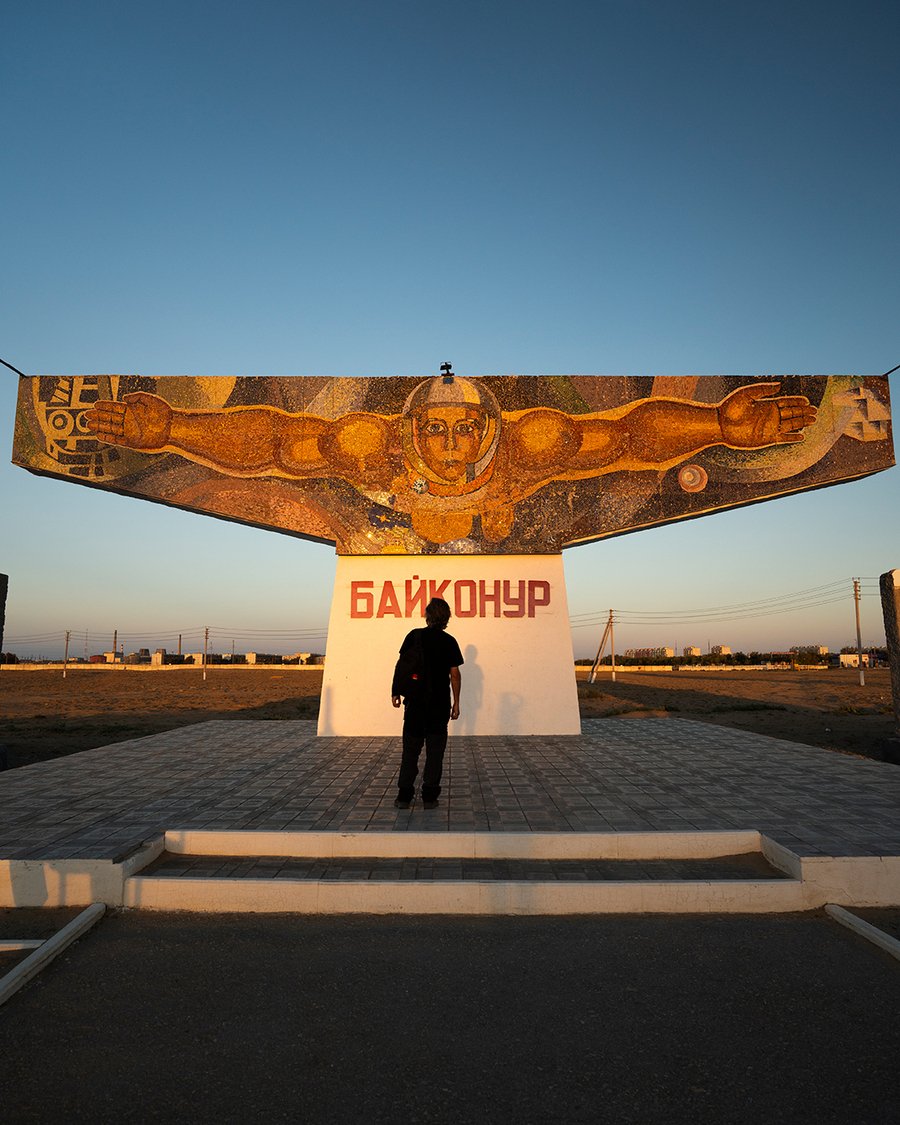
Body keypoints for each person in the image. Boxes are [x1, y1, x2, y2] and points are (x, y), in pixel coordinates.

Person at [84, 374, 817, 547]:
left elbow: (627, 436)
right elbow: (273, 442)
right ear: (411, 430)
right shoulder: (366, 445)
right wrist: (171, 427)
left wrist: (720, 425)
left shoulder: (532, 443)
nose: (449, 445)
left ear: (490, 428)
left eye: (464, 430)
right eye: (435, 431)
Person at [391, 597, 462, 809]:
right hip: (439, 706)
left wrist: (395, 691)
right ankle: (429, 797)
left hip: (415, 704)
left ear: (427, 615)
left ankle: (404, 797)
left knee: (410, 751)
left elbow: (401, 665)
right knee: (435, 753)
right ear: (447, 617)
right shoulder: (449, 642)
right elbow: (455, 675)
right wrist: (456, 703)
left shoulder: (414, 636)